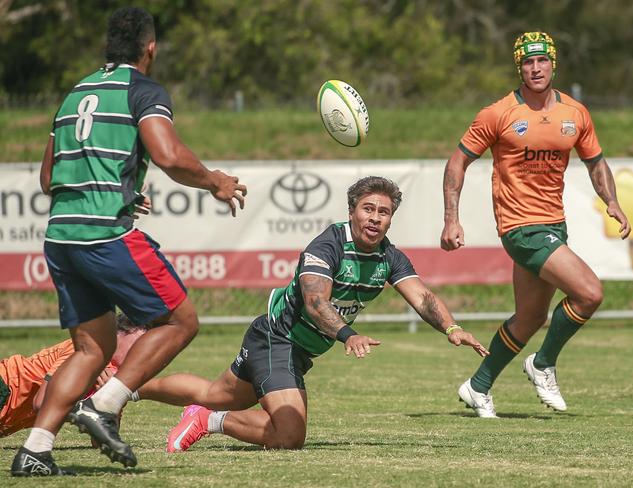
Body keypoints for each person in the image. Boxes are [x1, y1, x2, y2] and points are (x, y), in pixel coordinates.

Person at [11, 7, 247, 477]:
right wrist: (215, 181)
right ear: (150, 47)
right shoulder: (142, 90)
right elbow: (168, 154)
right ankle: (104, 405)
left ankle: (35, 449)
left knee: (91, 349)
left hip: (61, 238)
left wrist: (114, 189)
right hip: (105, 235)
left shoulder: (74, 92)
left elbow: (48, 178)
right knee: (180, 320)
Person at [132, 176, 488, 452]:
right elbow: (316, 303)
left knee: (215, 392)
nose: (375, 218)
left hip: (298, 351)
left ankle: (127, 387)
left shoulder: (389, 256)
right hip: (277, 339)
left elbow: (422, 296)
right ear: (352, 211)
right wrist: (349, 335)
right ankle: (207, 421)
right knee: (288, 435)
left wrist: (451, 327)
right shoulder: (328, 245)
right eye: (368, 209)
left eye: (383, 212)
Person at [440, 32, 631, 418]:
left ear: (553, 63)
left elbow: (595, 161)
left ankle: (478, 386)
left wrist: (610, 199)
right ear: (519, 67)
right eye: (527, 62)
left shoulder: (575, 113)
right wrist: (451, 219)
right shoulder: (498, 113)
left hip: (553, 226)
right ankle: (542, 363)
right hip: (519, 228)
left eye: (542, 60)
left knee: (530, 317)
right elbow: (456, 162)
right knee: (590, 293)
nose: (535, 67)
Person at [1, 314, 146, 438]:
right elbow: (42, 403)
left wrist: (113, 397)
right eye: (139, 344)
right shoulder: (87, 350)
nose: (142, 354)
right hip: (5, 384)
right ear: (119, 333)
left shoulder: (113, 378)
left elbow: (101, 439)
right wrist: (87, 409)